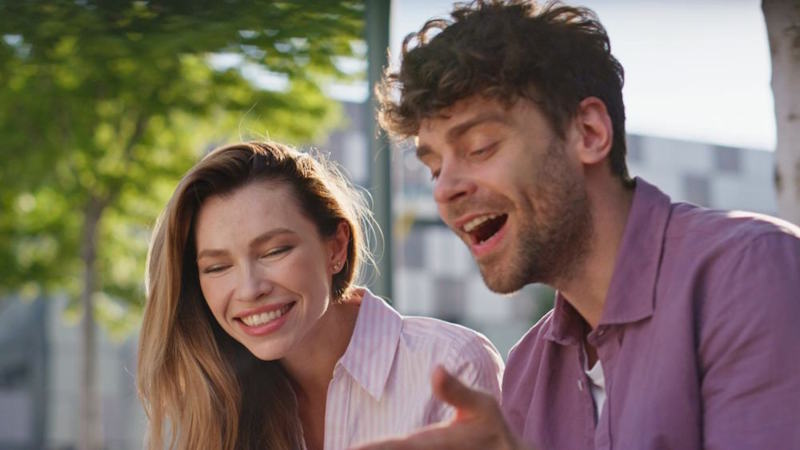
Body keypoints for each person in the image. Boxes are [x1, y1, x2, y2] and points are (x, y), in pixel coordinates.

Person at [356, 1, 800, 449]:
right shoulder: (529, 367)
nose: (443, 190)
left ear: (588, 133)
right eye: (434, 169)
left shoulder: (751, 273)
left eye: (479, 146)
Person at [137, 141, 504, 450]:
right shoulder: (215, 400)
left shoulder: (452, 364)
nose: (250, 289)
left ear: (336, 248)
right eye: (217, 267)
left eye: (274, 251)